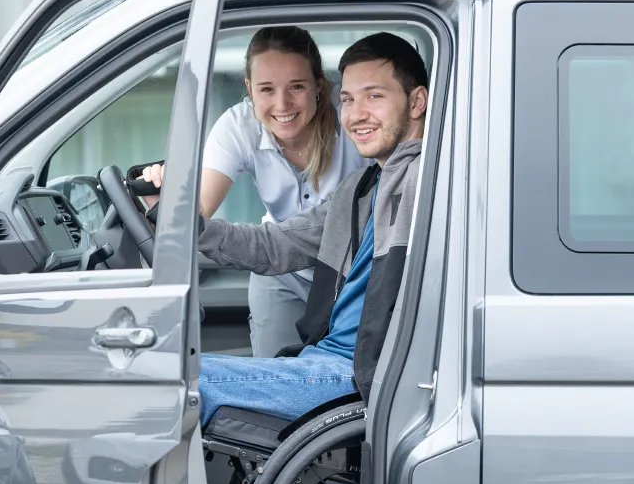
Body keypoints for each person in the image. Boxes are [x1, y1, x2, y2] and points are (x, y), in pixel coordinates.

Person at [193, 31, 430, 427]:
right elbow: (275, 245)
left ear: (418, 101)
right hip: (321, 359)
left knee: (168, 385)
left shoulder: (432, 181)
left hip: (354, 377)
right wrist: (191, 225)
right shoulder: (359, 190)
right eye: (350, 100)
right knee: (174, 374)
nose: (356, 114)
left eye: (374, 96)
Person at [142, 26, 374, 358]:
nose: (282, 104)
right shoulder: (238, 127)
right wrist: (164, 205)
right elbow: (201, 207)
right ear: (249, 89)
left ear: (319, 85)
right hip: (279, 268)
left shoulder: (350, 116)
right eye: (266, 89)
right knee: (273, 377)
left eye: (297, 86)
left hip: (353, 269)